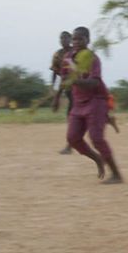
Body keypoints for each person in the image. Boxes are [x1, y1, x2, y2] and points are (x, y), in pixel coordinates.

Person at [53, 26, 123, 184]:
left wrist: (75, 81)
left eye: (80, 39)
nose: (76, 42)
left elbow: (94, 82)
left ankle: (117, 174)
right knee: (73, 138)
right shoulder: (67, 59)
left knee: (97, 138)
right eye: (74, 39)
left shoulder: (92, 58)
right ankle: (98, 159)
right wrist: (57, 97)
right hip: (78, 102)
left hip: (96, 100)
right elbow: (63, 81)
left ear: (88, 40)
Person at [50, 31, 74, 154]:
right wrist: (52, 88)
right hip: (68, 88)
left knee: (73, 117)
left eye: (66, 38)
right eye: (61, 38)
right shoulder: (58, 55)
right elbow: (55, 71)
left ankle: (71, 145)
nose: (63, 40)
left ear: (70, 39)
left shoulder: (75, 52)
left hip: (78, 88)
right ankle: (70, 144)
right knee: (72, 117)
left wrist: (57, 96)